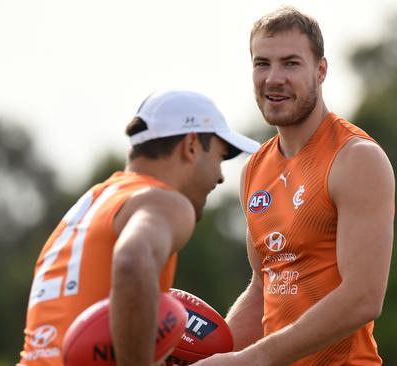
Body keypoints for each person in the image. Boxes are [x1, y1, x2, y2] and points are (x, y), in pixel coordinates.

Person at [194, 6, 395, 366]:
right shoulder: (254, 168)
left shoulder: (356, 159)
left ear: (320, 70)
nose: (274, 78)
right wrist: (202, 357)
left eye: (290, 63)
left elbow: (364, 297)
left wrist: (256, 358)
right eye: (262, 64)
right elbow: (262, 288)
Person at [16, 89, 260, 366]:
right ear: (191, 145)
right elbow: (132, 260)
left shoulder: (92, 204)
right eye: (221, 155)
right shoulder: (165, 201)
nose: (220, 176)